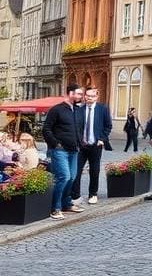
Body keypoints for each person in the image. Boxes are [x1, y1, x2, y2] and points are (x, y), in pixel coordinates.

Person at [42, 83, 85, 219]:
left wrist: (79, 142)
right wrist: (56, 144)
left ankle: (66, 204)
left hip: (74, 150)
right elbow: (46, 129)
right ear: (70, 93)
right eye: (78, 94)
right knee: (63, 177)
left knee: (72, 177)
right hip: (60, 150)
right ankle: (55, 208)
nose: (80, 96)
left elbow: (79, 128)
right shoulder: (57, 110)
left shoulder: (77, 110)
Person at [71, 86, 112, 206]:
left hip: (95, 144)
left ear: (96, 97)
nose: (89, 98)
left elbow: (108, 126)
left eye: (92, 96)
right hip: (82, 145)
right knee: (76, 171)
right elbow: (76, 127)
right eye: (87, 96)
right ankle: (75, 195)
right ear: (84, 96)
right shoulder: (80, 109)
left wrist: (102, 139)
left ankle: (93, 194)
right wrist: (78, 141)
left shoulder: (102, 109)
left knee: (94, 171)